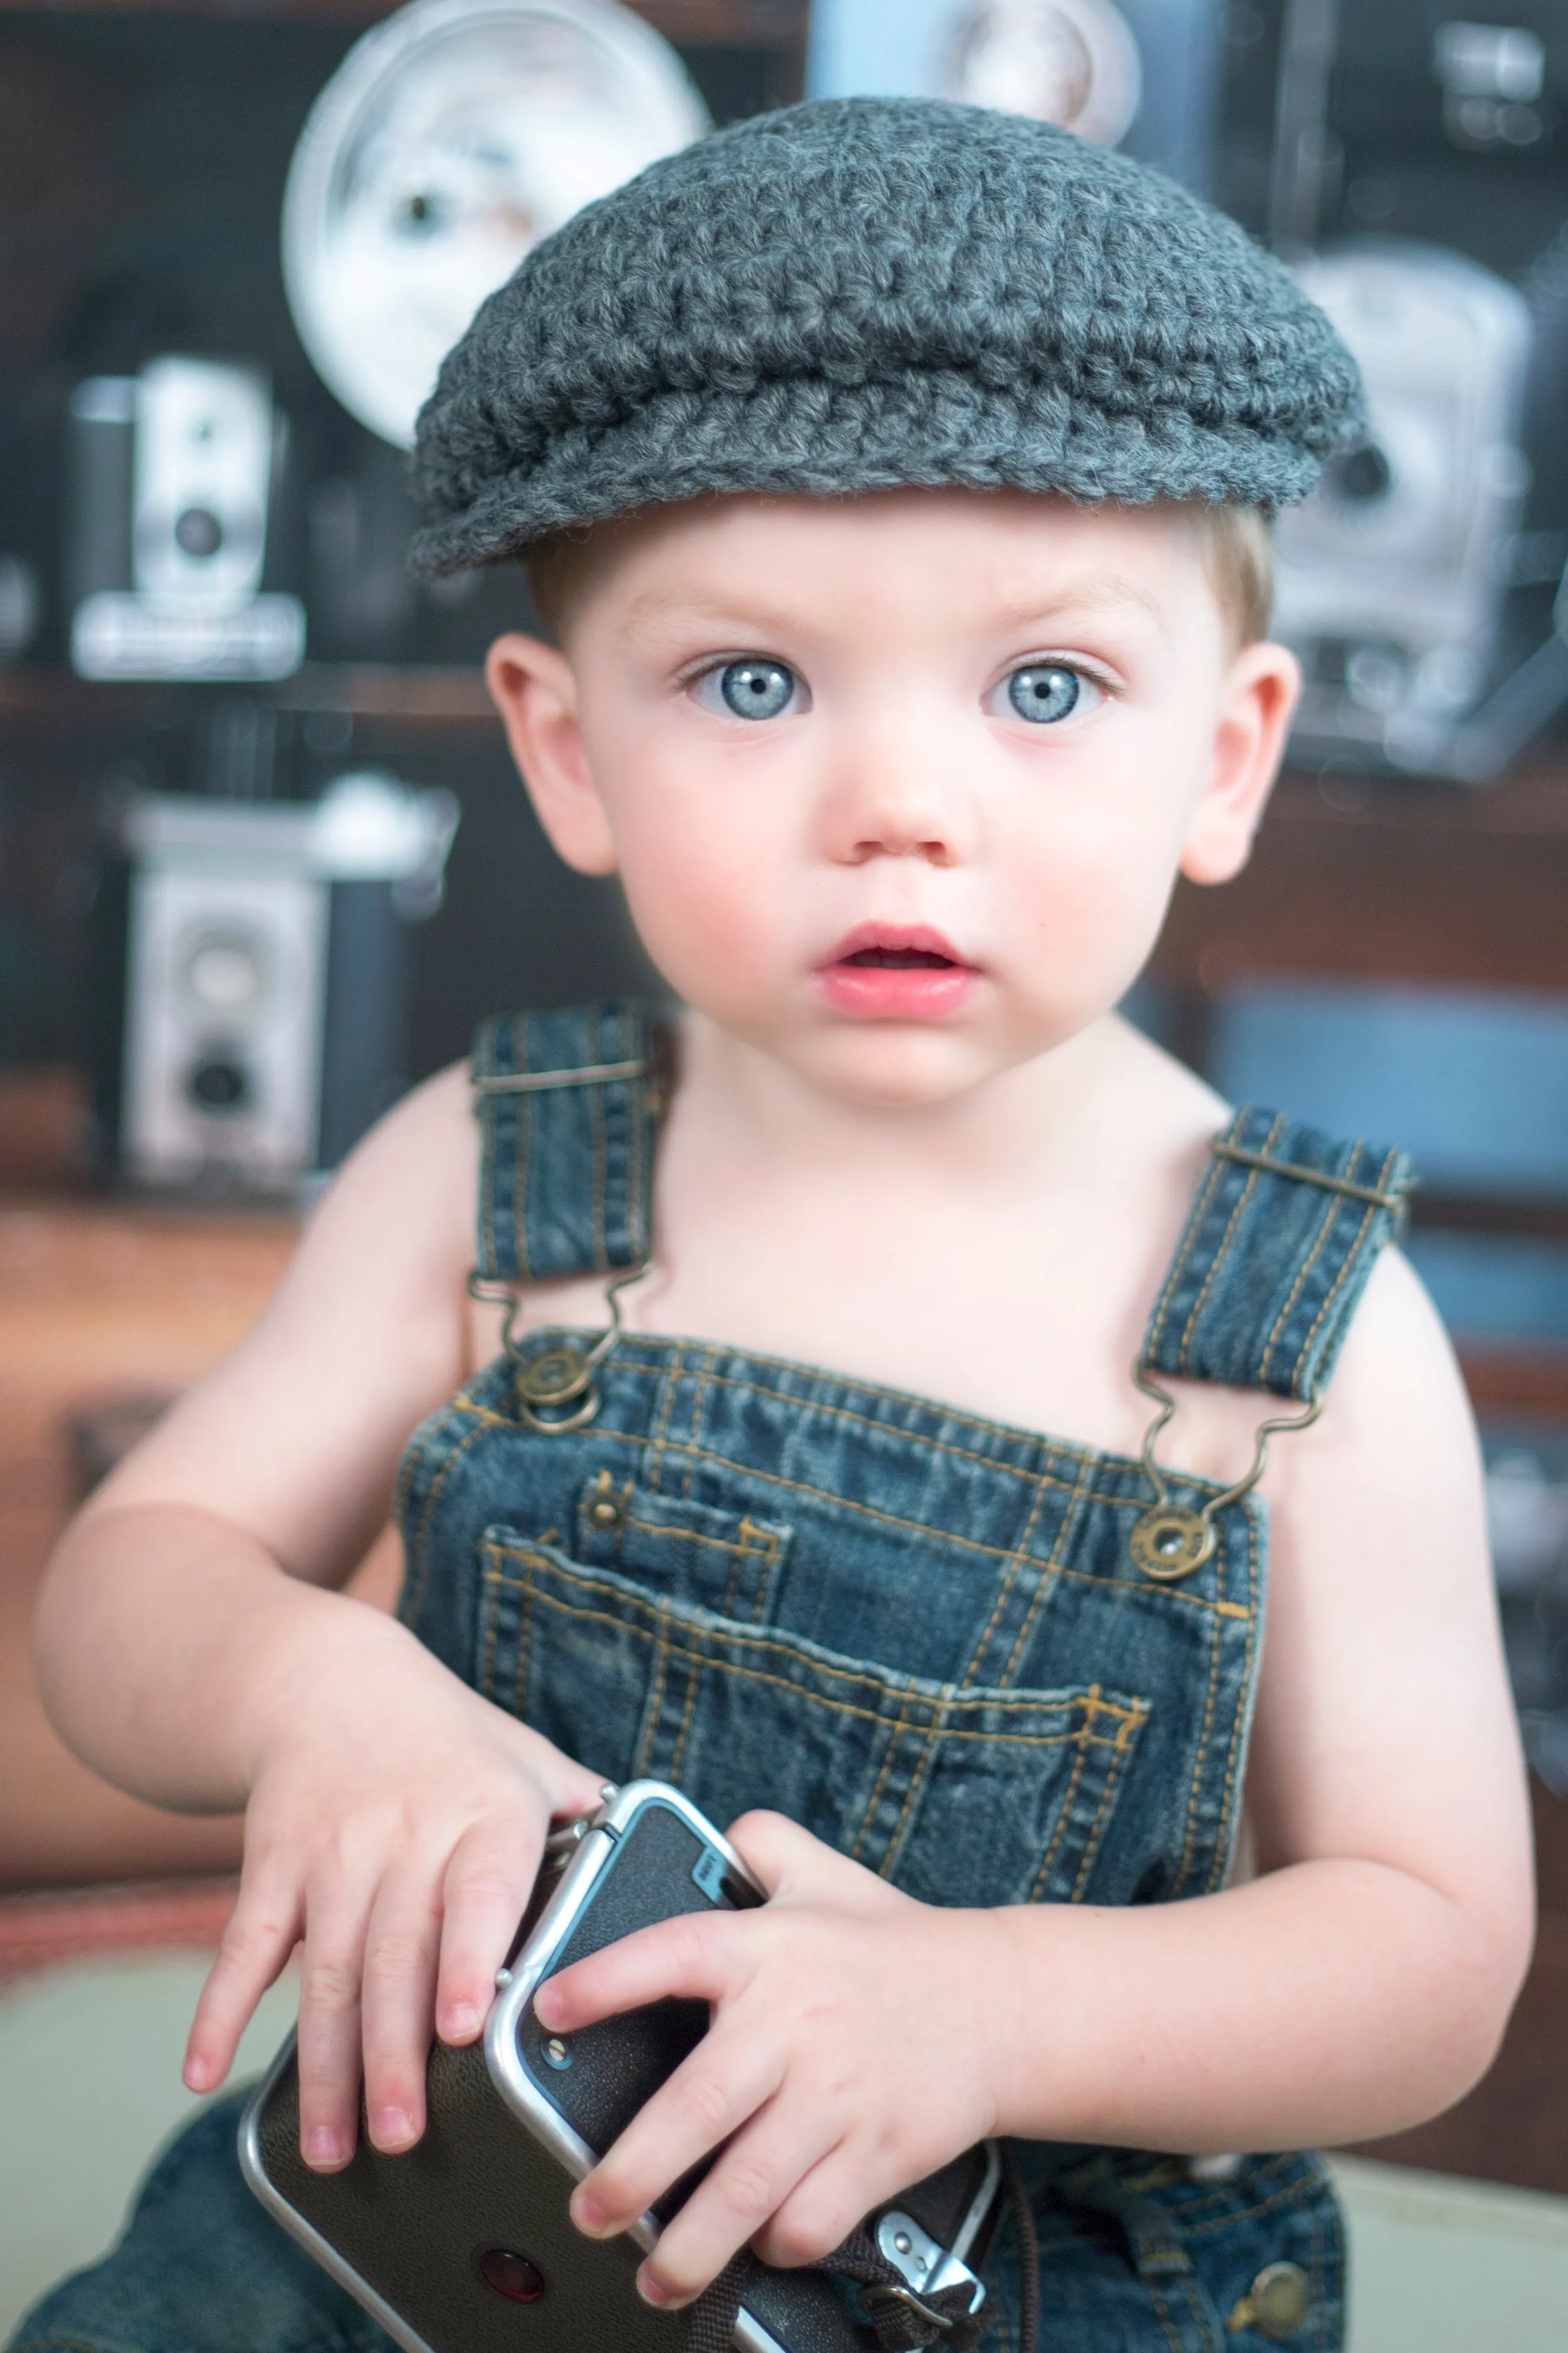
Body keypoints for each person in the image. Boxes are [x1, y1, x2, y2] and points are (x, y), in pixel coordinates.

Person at [15, 97, 1532, 2353]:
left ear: (1226, 757)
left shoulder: (1300, 1335)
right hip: (405, 2212)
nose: (898, 808)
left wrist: (995, 2012)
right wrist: (317, 1690)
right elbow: (122, 1596)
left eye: (1045, 689)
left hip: (989, 2288)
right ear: (565, 752)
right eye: (753, 683)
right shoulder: (491, 1168)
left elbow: (1425, 1957)